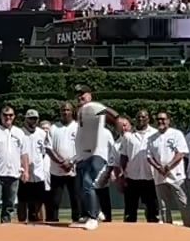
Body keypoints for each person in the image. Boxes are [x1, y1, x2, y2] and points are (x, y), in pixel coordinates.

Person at [73, 88, 118, 231]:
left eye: (83, 95)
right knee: (80, 188)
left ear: (90, 96)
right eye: (78, 96)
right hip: (83, 155)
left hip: (96, 154)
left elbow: (109, 112)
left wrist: (117, 119)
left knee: (88, 183)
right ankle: (94, 212)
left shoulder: (93, 107)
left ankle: (93, 218)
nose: (80, 97)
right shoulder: (81, 112)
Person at [0, 105, 29, 223]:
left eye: (10, 115)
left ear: (14, 116)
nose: (8, 117)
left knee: (9, 204)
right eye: (5, 115)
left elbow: (24, 153)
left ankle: (6, 226)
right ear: (1, 116)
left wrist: (26, 171)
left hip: (13, 173)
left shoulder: (19, 133)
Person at [146, 110, 189, 224]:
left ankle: (189, 228)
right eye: (158, 119)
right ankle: (166, 229)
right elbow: (149, 157)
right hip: (159, 176)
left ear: (168, 121)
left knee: (183, 203)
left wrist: (169, 166)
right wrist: (158, 168)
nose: (160, 121)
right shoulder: (152, 138)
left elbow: (181, 153)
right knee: (164, 207)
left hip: (176, 175)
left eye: (163, 119)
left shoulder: (177, 134)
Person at [118, 108, 159, 223]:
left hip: (150, 177)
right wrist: (122, 173)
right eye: (138, 117)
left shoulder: (155, 134)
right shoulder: (128, 136)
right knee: (130, 212)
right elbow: (123, 156)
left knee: (152, 211)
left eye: (143, 117)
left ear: (148, 119)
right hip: (132, 177)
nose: (141, 119)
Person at [45, 102, 80, 223]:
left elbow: (83, 149)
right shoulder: (54, 128)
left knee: (76, 200)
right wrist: (61, 162)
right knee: (54, 201)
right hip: (57, 171)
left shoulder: (78, 127)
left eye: (68, 110)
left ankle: (77, 222)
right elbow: (48, 148)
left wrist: (71, 162)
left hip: (73, 170)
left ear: (72, 112)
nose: (65, 112)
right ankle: (52, 222)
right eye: (63, 110)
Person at [18, 108, 49, 224]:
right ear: (26, 119)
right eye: (30, 118)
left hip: (38, 173)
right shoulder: (19, 133)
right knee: (23, 200)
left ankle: (41, 224)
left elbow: (44, 153)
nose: (33, 121)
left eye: (35, 119)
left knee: (40, 201)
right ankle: (21, 224)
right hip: (23, 172)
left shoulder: (42, 134)